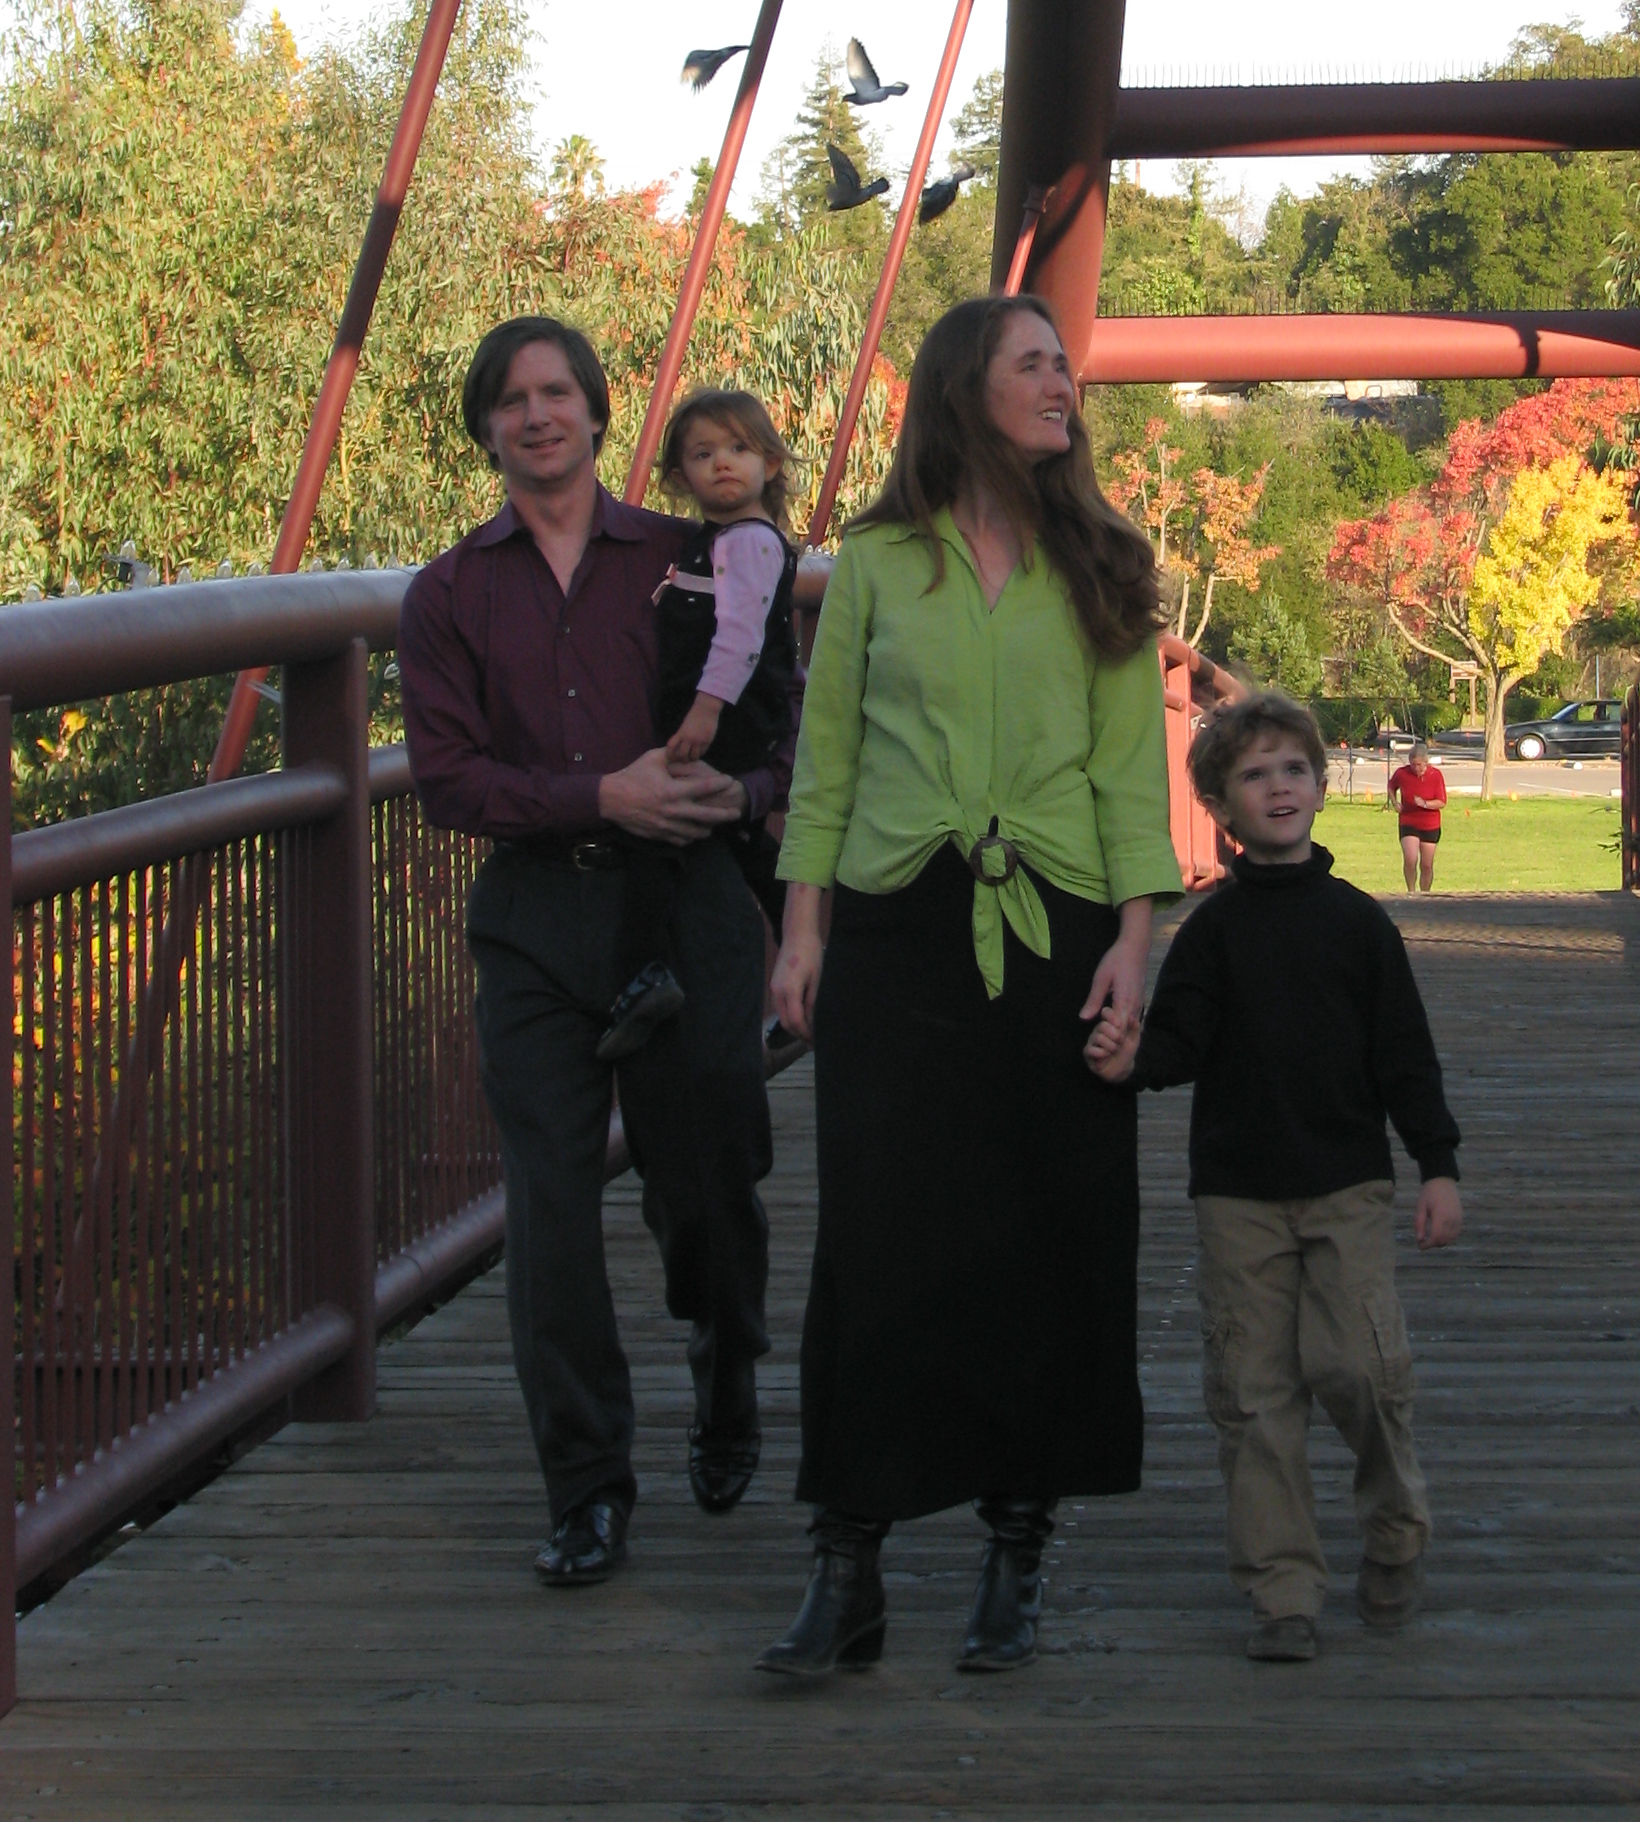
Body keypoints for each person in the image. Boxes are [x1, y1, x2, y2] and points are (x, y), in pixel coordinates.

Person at [758, 293, 1181, 1685]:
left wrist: (1136, 944)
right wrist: (803, 929)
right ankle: (848, 1562)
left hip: (1062, 931)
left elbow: (1129, 777)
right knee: (877, 1238)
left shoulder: (1105, 563)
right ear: (964, 390)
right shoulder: (877, 565)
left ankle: (1017, 1546)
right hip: (897, 928)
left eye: (1066, 364)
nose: (1064, 382)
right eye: (1033, 363)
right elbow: (827, 760)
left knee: (1052, 1233)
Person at [397, 317, 796, 1589]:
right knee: (552, 1213)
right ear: (486, 428)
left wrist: (742, 796)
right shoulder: (449, 594)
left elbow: (789, 727)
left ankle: (726, 1371)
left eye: (556, 391)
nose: (536, 415)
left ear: (597, 411)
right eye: (511, 398)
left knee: (710, 1181)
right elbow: (448, 781)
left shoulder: (699, 555)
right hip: (539, 926)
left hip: (687, 904)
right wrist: (599, 796)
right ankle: (586, 1488)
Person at [1090, 690, 1463, 1663]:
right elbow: (1180, 1042)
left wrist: (1437, 1165)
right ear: (1220, 807)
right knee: (1252, 1392)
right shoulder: (1212, 933)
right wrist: (1131, 1060)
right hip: (1238, 1189)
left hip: (1347, 1181)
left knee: (1361, 1368)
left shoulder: (1359, 925)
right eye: (1254, 775)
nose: (1279, 787)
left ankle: (1395, 1530)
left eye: (1294, 769)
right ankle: (1282, 1592)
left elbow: (1405, 1056)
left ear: (1321, 787)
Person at [604, 386, 800, 1060]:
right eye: (703, 452)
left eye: (739, 449)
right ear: (680, 475)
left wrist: (705, 712)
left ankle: (645, 973)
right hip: (725, 721)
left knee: (651, 831)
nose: (722, 463)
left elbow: (741, 636)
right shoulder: (719, 541)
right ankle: (807, 974)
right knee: (745, 846)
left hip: (724, 722)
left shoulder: (749, 543)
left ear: (769, 464)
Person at [1386, 735, 1447, 892]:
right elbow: (1391, 786)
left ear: (1426, 762)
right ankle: (1411, 891)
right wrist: (1395, 802)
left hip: (1430, 824)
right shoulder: (1402, 773)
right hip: (1408, 821)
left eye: (1419, 765)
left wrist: (1425, 804)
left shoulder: (1435, 775)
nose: (1416, 768)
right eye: (1413, 764)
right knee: (1410, 858)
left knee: (1426, 864)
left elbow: (1442, 802)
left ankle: (1425, 894)